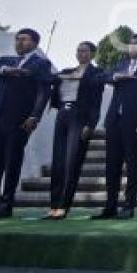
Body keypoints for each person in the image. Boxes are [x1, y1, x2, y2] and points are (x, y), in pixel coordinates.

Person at [0, 28, 52, 219]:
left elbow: (44, 91)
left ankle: (5, 206)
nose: (19, 43)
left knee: (11, 164)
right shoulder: (6, 61)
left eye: (23, 40)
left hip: (19, 121)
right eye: (17, 39)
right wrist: (4, 70)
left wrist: (34, 116)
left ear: (34, 43)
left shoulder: (41, 64)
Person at [91, 32, 137, 220]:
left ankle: (129, 206)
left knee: (132, 165)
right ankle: (110, 206)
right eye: (130, 44)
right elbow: (102, 77)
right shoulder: (121, 65)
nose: (131, 47)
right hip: (114, 120)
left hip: (135, 122)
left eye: (136, 44)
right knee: (111, 166)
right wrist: (116, 77)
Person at [43, 41, 105, 220]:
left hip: (80, 117)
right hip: (62, 114)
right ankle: (53, 205)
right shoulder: (66, 72)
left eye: (84, 51)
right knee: (58, 162)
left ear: (92, 54)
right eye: (78, 50)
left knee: (72, 163)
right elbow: (49, 79)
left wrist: (91, 124)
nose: (80, 53)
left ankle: (63, 206)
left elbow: (96, 102)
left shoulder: (96, 73)